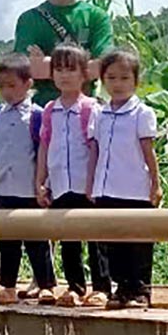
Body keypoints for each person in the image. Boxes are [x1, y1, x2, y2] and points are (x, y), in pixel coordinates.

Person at [16, 0, 115, 297]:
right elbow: (27, 70)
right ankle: (43, 277)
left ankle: (100, 281)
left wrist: (48, 64)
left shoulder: (95, 16)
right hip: (44, 115)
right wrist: (79, 65)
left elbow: (103, 67)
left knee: (91, 195)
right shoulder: (30, 19)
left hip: (88, 117)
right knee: (41, 192)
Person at [87, 47, 160, 309]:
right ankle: (121, 289)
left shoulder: (142, 113)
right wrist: (91, 185)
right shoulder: (99, 113)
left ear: (136, 82)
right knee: (112, 242)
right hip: (106, 189)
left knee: (137, 242)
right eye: (111, 78)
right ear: (103, 81)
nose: (117, 84)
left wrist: (156, 184)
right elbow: (95, 151)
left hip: (134, 189)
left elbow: (148, 151)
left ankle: (141, 291)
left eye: (124, 78)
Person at [0, 52, 57, 303]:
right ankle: (8, 287)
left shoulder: (37, 115)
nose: (7, 92)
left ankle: (46, 285)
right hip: (3, 188)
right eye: (2, 86)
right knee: (7, 241)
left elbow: (43, 151)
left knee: (37, 240)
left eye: (12, 85)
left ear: (28, 84)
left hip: (30, 188)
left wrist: (44, 184)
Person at [36, 43, 103, 307]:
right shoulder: (49, 110)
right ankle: (75, 287)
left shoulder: (91, 108)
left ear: (84, 74)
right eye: (59, 69)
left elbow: (96, 148)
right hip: (60, 185)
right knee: (68, 240)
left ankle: (101, 288)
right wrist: (40, 181)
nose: (65, 75)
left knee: (97, 238)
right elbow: (45, 146)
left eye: (71, 69)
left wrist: (93, 183)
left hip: (87, 185)